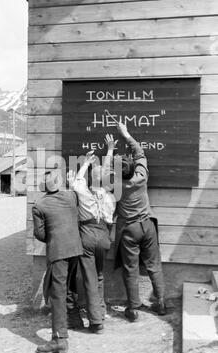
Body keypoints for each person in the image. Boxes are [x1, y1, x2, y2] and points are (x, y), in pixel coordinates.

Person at [105, 122, 167, 322]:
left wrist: (110, 150)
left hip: (129, 230)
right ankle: (161, 302)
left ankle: (133, 308)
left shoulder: (115, 184)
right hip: (147, 225)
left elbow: (105, 173)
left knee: (130, 268)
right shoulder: (141, 176)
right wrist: (126, 135)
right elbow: (139, 153)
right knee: (154, 265)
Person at [68, 138, 118, 334]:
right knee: (98, 275)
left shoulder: (83, 192)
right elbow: (104, 174)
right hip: (104, 235)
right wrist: (111, 150)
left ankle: (96, 322)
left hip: (87, 235)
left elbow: (77, 181)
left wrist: (86, 164)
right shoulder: (111, 197)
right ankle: (101, 310)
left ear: (91, 178)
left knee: (89, 278)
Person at [32, 170, 83, 353]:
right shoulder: (71, 196)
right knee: (69, 286)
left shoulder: (39, 205)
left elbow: (39, 234)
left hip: (58, 252)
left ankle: (59, 339)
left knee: (57, 294)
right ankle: (76, 320)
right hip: (76, 248)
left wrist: (53, 238)